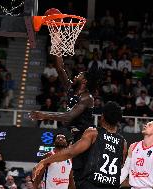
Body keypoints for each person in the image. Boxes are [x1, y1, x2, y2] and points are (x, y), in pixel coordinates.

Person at [30, 56, 102, 186]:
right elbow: (60, 68)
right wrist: (57, 48)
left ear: (84, 81)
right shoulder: (71, 89)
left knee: (83, 177)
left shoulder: (87, 98)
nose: (75, 76)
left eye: (79, 75)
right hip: (77, 136)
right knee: (73, 175)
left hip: (87, 138)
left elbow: (68, 116)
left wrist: (45, 115)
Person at [32, 101, 127, 189]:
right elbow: (120, 166)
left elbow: (70, 152)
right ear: (118, 121)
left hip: (91, 184)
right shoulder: (123, 142)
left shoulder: (93, 133)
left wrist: (44, 161)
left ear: (102, 117)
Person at [120, 120, 153, 189]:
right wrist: (116, 183)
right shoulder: (133, 146)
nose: (145, 125)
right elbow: (126, 169)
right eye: (146, 124)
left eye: (149, 125)